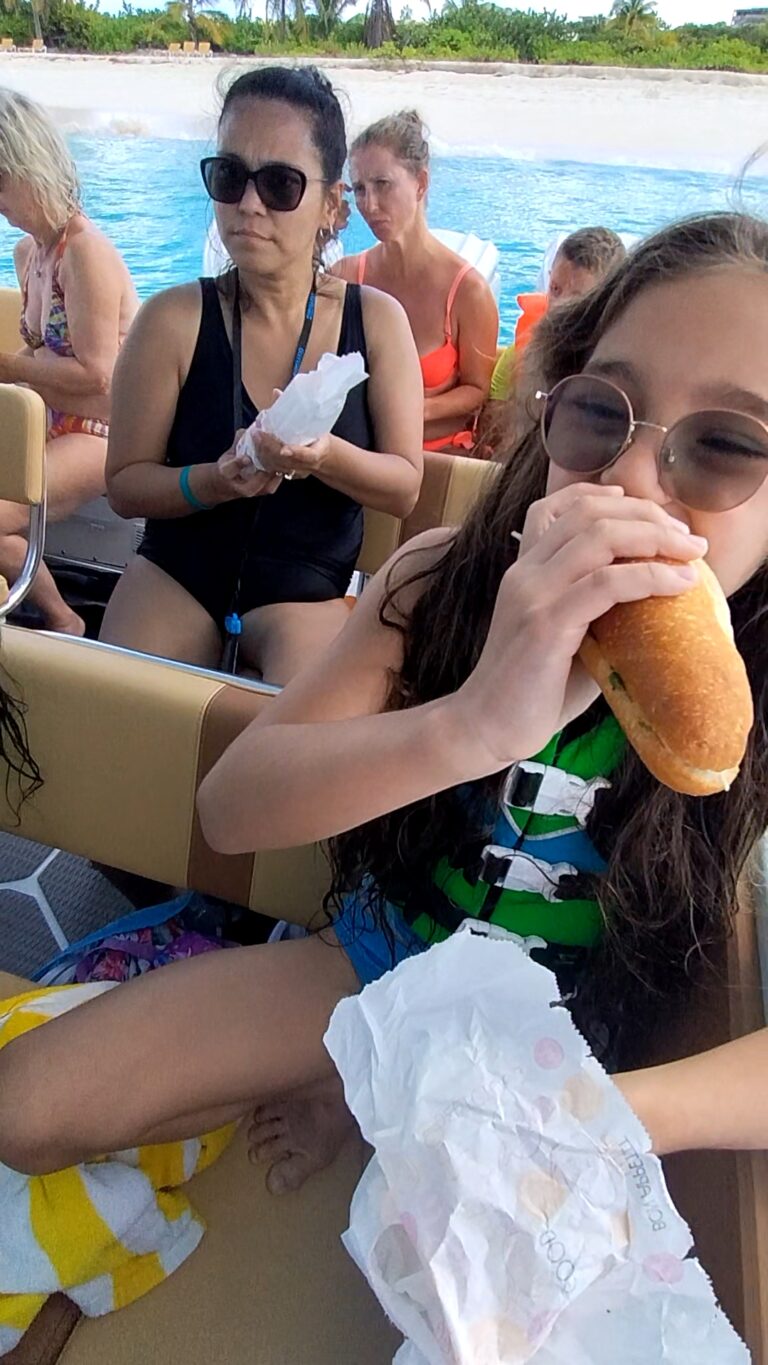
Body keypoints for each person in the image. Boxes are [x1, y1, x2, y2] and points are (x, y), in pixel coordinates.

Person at [3, 214, 768, 1199]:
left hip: (575, 1046)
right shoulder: (440, 578)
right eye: (602, 414)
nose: (628, 478)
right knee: (25, 1107)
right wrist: (474, 723)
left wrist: (603, 1118)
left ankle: (369, 1101)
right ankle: (343, 1074)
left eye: (727, 444)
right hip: (381, 956)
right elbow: (235, 809)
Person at [100, 67, 423, 685]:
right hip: (180, 571)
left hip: (304, 589)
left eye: (279, 183)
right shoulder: (172, 319)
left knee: (301, 752)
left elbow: (404, 486)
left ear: (332, 204)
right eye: (230, 176)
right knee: (123, 715)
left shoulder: (377, 322)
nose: (248, 204)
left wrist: (323, 456)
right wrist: (213, 482)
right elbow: (125, 484)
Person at [0, 89, 138, 635]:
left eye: (2, 180)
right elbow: (40, 352)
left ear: (31, 166)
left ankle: (62, 621)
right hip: (48, 419)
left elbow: (96, 376)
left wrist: (8, 368)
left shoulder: (85, 253)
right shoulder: (29, 254)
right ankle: (63, 622)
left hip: (100, 430)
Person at [335, 110, 498, 454]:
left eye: (383, 185)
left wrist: (412, 411)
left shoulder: (469, 292)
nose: (369, 204)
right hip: (360, 463)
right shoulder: (345, 276)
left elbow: (476, 390)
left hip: (438, 461)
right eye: (360, 189)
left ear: (421, 183)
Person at [489, 226, 627, 408]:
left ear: (606, 299)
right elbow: (494, 415)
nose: (559, 306)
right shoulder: (520, 355)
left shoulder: (618, 367)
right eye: (555, 289)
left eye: (576, 298)